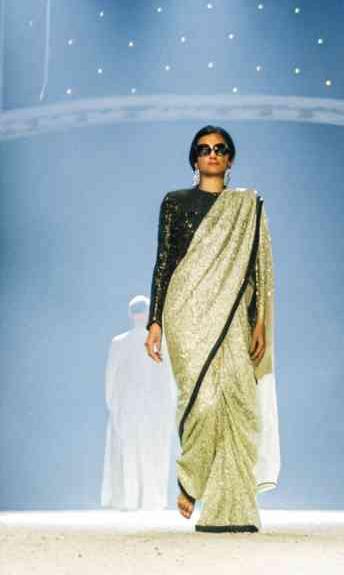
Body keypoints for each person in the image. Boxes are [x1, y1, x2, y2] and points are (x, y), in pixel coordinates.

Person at [144, 125, 280, 532]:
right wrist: (155, 321)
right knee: (201, 401)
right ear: (194, 158)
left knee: (238, 403)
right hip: (185, 312)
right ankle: (191, 477)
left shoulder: (247, 206)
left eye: (220, 149)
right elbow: (163, 263)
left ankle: (232, 509)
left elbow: (260, 269)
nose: (213, 154)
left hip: (235, 316)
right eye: (204, 149)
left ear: (231, 158)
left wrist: (260, 322)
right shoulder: (175, 203)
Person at [101, 295, 175, 511]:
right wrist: (169, 406)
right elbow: (167, 377)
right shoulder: (160, 342)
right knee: (152, 452)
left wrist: (112, 405)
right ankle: (151, 500)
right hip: (153, 407)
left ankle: (129, 500)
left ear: (130, 314)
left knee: (128, 452)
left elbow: (110, 378)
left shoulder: (119, 342)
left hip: (128, 407)